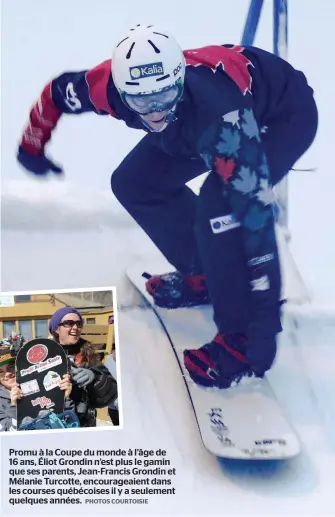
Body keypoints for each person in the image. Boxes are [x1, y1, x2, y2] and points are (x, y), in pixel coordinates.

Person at [17, 25, 318, 389]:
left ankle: (239, 338)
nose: (155, 111)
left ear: (179, 80)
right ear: (121, 93)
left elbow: (257, 231)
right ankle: (205, 274)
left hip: (277, 116)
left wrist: (259, 339)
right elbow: (55, 93)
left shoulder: (223, 121)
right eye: (143, 102)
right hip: (192, 122)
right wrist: (32, 145)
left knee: (219, 208)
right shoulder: (105, 87)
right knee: (134, 182)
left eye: (163, 96)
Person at [49, 307, 117, 426]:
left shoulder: (88, 354)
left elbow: (112, 393)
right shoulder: (46, 355)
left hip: (84, 423)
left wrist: (95, 378)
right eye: (69, 323)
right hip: (52, 421)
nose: (75, 327)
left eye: (78, 324)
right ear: (56, 329)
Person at [0, 347, 71, 431]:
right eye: (0, 371)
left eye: (11, 367)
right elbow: (6, 436)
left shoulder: (43, 385)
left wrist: (64, 398)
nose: (7, 374)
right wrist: (13, 405)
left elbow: (68, 423)